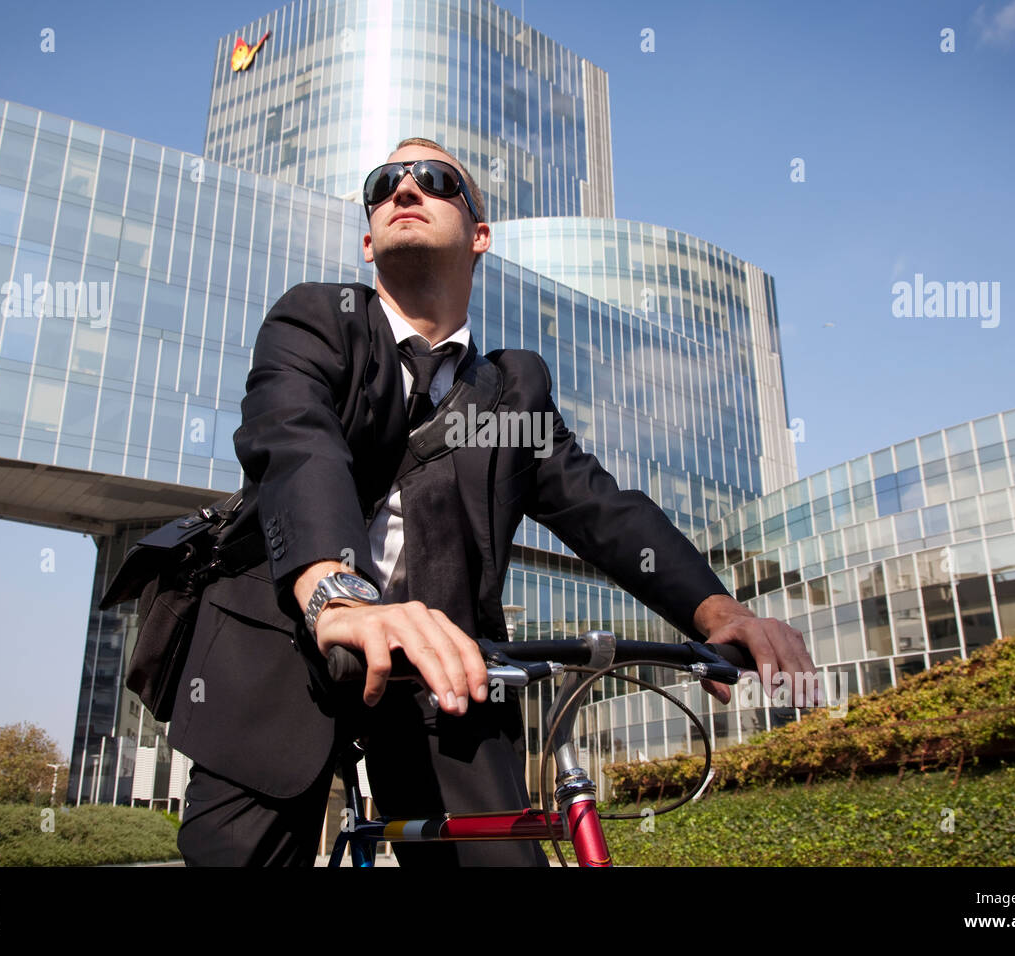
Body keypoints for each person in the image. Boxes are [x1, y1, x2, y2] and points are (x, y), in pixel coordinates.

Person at [167, 137, 818, 866]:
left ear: (480, 236)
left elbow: (603, 509)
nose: (405, 189)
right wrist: (338, 594)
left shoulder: (513, 390)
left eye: (435, 179)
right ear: (367, 237)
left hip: (447, 676)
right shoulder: (317, 321)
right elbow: (296, 445)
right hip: (284, 649)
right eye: (385, 183)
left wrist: (719, 612)